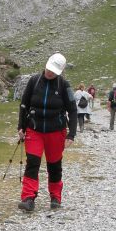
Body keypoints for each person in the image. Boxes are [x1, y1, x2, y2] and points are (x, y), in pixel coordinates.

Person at [17, 53, 77, 212]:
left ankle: (55, 197)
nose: (50, 73)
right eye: (49, 69)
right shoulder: (34, 81)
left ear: (61, 71)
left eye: (54, 71)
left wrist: (72, 134)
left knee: (54, 165)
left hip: (56, 132)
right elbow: (24, 105)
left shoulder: (64, 85)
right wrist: (21, 127)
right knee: (32, 163)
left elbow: (72, 110)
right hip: (34, 130)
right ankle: (28, 198)